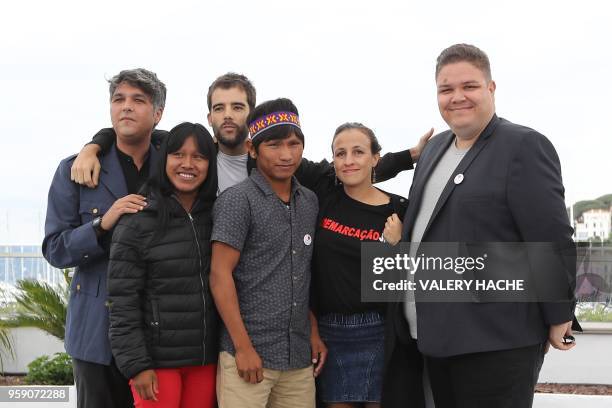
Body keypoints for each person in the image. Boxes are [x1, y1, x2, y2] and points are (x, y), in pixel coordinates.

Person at [384, 44, 578, 408]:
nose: (457, 97)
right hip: (433, 339)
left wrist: (559, 314)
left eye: (469, 86)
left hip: (497, 343)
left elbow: (550, 239)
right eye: (446, 89)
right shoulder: (433, 149)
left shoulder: (523, 146)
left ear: (490, 89)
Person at [68, 72, 430, 196]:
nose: (228, 116)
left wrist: (410, 157)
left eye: (237, 107)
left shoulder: (276, 162)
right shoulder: (186, 156)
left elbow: (348, 172)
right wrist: (93, 147)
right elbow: (133, 134)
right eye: (220, 108)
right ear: (208, 115)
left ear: (251, 113)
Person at [42, 68, 166, 408]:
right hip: (96, 334)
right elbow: (55, 249)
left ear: (157, 113)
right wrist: (102, 225)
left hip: (159, 334)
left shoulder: (172, 165)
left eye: (138, 100)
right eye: (118, 100)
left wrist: (95, 142)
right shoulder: (76, 169)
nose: (126, 107)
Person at [210, 98, 322, 408]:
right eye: (274, 145)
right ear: (252, 148)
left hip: (298, 357)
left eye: (294, 143)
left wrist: (312, 330)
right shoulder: (238, 201)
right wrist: (243, 348)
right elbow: (220, 276)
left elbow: (302, 272)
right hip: (248, 355)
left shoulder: (309, 201)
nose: (286, 154)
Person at [107, 122, 219, 408]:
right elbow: (122, 301)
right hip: (156, 364)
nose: (188, 164)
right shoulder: (137, 219)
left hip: (206, 360)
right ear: (164, 159)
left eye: (199, 157)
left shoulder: (218, 215)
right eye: (178, 155)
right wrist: (137, 365)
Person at [309, 122, 414, 408]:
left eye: (358, 152)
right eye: (340, 153)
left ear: (375, 158)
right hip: (330, 334)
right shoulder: (324, 198)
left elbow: (412, 279)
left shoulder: (400, 209)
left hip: (381, 332)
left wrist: (395, 247)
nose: (348, 160)